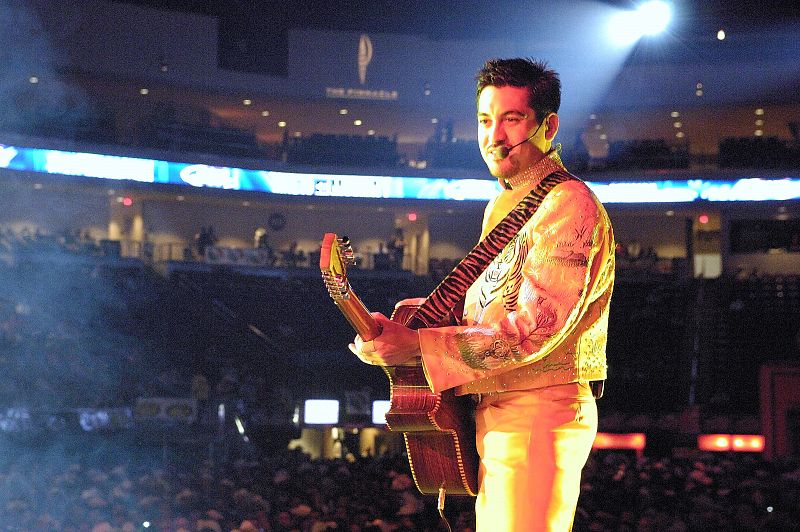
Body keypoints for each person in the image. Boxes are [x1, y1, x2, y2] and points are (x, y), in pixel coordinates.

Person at [349, 58, 615, 531]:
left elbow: (534, 329)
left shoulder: (567, 202)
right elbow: (489, 314)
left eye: (511, 120)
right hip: (503, 408)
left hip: (538, 406)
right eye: (485, 120)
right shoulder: (503, 204)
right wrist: (406, 333)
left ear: (548, 126)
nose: (494, 137)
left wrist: (418, 344)